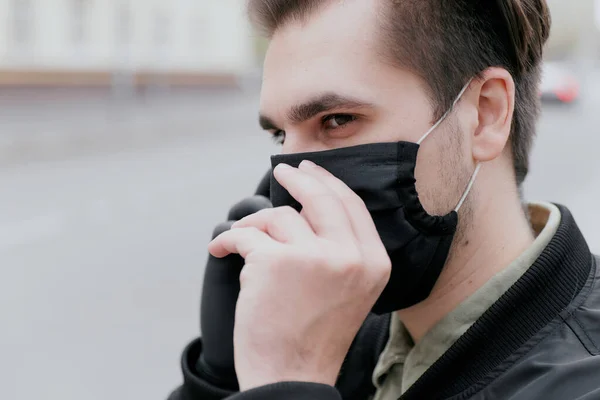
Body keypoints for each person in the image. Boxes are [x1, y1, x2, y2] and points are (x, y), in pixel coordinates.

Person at [168, 1, 600, 399]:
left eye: (337, 120)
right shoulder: (326, 322)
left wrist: (290, 383)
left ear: (485, 114)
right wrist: (220, 381)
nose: (288, 182)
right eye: (281, 136)